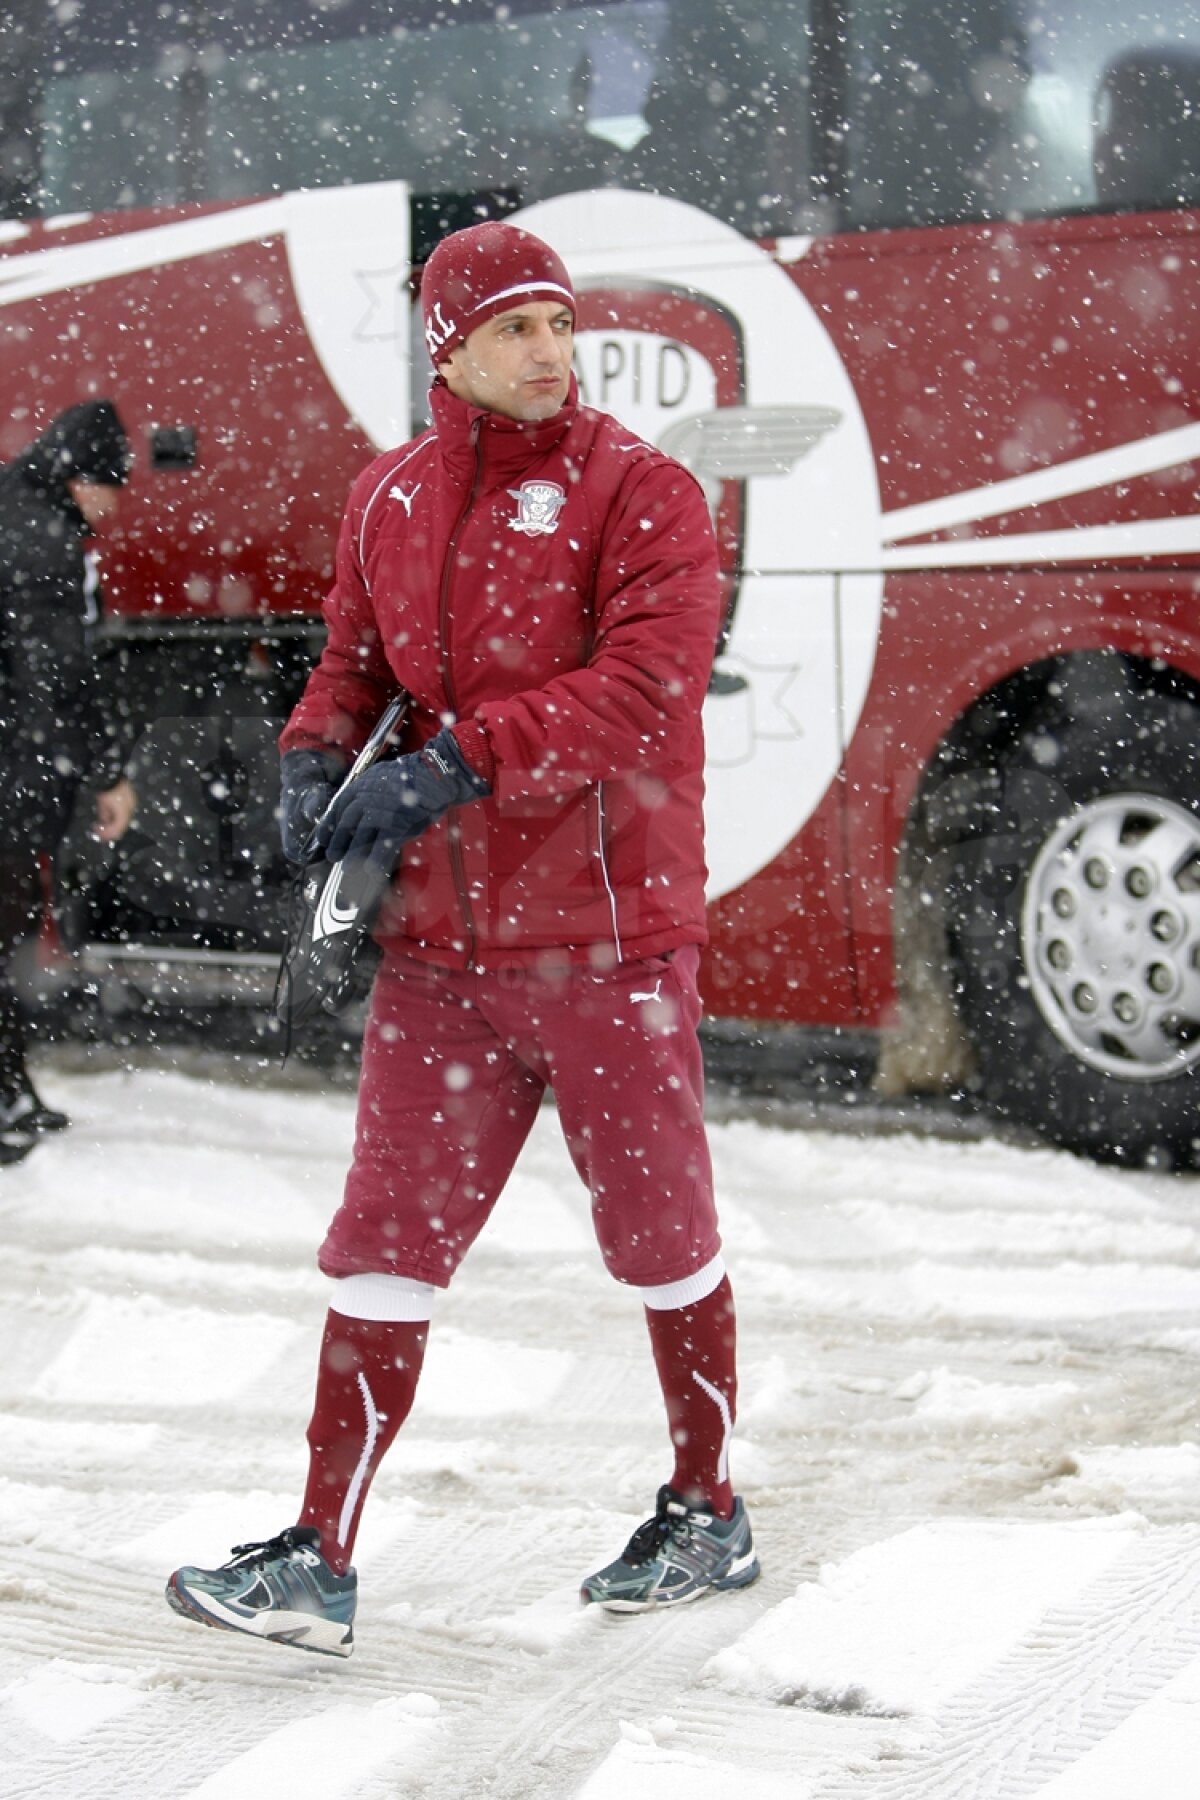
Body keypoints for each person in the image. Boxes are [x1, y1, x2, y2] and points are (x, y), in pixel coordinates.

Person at [165, 221, 758, 1657]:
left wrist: (459, 761)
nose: (551, 351)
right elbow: (350, 668)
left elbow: (646, 688)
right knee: (381, 1245)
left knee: (661, 1238)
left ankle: (705, 1507)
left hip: (608, 944)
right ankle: (319, 1552)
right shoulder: (391, 498)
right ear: (453, 350)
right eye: (517, 330)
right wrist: (311, 760)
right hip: (439, 954)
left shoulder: (646, 490)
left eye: (562, 324)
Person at [0, 400, 136, 1164]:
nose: (115, 504)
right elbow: (61, 673)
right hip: (12, 767)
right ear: (80, 477)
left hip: (14, 759)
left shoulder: (15, 506)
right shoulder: (44, 540)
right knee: (8, 932)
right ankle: (5, 1094)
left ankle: (12, 1083)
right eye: (111, 485)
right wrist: (108, 771)